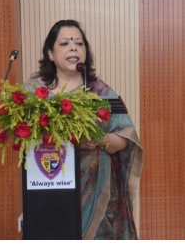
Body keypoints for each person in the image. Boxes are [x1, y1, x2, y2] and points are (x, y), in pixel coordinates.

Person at [27, 20, 142, 239]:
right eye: (65, 43)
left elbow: (125, 139)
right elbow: (23, 137)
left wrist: (98, 139)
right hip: (48, 190)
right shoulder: (34, 91)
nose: (73, 48)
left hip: (97, 192)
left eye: (79, 43)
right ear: (50, 53)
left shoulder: (100, 91)